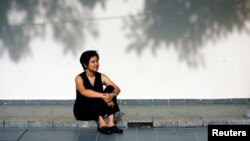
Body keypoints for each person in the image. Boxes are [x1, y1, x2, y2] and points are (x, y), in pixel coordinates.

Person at [73, 50, 123, 135]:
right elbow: (84, 92)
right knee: (90, 93)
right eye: (93, 62)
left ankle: (111, 122)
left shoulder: (101, 76)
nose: (96, 64)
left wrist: (111, 95)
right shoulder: (79, 78)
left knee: (111, 88)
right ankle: (101, 123)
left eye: (97, 61)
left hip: (97, 107)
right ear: (85, 64)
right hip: (83, 111)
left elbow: (117, 89)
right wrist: (104, 96)